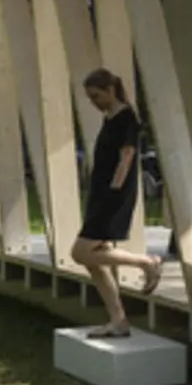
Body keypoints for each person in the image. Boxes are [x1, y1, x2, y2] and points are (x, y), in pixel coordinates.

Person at [72, 67, 163, 337]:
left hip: (112, 197)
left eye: (97, 95)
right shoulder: (110, 118)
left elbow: (126, 159)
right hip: (101, 195)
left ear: (111, 90)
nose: (94, 102)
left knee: (80, 253)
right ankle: (118, 320)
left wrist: (112, 194)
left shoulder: (126, 118)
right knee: (93, 261)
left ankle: (146, 263)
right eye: (90, 97)